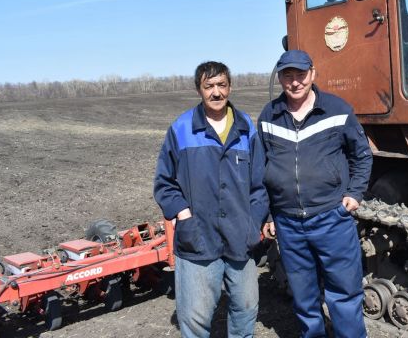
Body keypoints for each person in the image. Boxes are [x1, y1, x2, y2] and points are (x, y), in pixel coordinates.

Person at [258, 50, 372, 338]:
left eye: (300, 75)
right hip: (288, 224)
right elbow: (260, 171)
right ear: (280, 77)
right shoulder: (269, 116)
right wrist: (269, 214)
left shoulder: (336, 110)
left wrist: (355, 193)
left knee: (344, 295)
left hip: (331, 218)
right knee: (304, 298)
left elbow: (362, 155)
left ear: (312, 74)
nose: (295, 82)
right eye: (287, 75)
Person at [153, 61, 268, 338]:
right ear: (199, 90)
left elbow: (260, 185)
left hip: (241, 237)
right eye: (209, 86)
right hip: (198, 237)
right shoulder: (181, 129)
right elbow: (164, 183)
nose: (216, 93)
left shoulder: (246, 129)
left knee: (246, 307)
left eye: (221, 85)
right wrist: (183, 215)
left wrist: (253, 224)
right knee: (195, 317)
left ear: (230, 87)